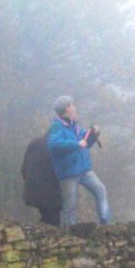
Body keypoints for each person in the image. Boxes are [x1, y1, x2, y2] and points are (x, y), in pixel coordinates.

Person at [46, 96, 110, 227]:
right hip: (68, 173)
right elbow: (54, 145)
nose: (75, 108)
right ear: (66, 109)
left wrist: (93, 134)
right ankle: (68, 231)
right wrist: (76, 144)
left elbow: (85, 143)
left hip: (84, 169)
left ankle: (105, 221)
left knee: (100, 189)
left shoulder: (75, 126)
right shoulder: (56, 127)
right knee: (70, 205)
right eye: (72, 105)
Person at [21, 136, 62, 226]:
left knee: (47, 217)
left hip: (31, 190)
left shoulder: (34, 142)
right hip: (51, 194)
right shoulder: (58, 146)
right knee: (53, 220)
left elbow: (23, 170)